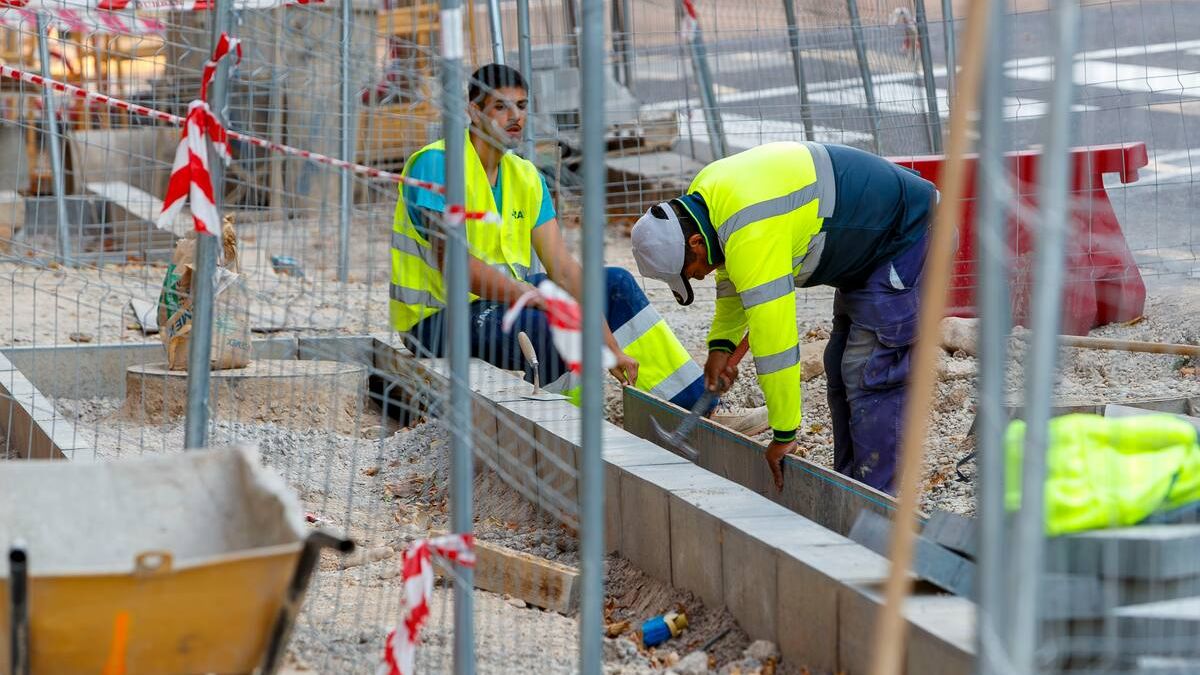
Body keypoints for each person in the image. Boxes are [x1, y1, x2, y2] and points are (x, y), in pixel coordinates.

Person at [390, 63, 767, 432]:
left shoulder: (526, 177)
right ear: (474, 110)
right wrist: (533, 296)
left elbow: (564, 270)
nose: (515, 117)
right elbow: (457, 268)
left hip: (501, 303)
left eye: (521, 106)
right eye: (501, 107)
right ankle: (570, 431)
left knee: (615, 285)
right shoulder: (437, 166)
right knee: (551, 322)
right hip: (434, 320)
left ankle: (702, 411)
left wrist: (611, 347)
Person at [630, 140, 938, 494]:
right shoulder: (709, 196)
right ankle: (852, 488)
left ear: (697, 242)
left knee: (869, 370)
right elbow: (732, 279)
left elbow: (775, 345)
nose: (698, 277)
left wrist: (784, 433)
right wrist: (720, 346)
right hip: (868, 246)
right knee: (840, 365)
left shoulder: (750, 230)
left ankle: (882, 504)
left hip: (908, 233)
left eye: (690, 270)